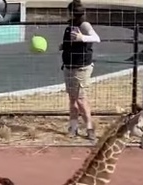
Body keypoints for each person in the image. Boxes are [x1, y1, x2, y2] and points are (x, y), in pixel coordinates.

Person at [59, 1, 100, 140]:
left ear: (72, 12)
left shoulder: (84, 24)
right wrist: (64, 46)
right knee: (72, 98)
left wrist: (82, 37)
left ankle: (90, 127)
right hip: (69, 66)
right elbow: (72, 43)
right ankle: (73, 127)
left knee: (81, 99)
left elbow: (96, 38)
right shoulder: (70, 25)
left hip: (81, 68)